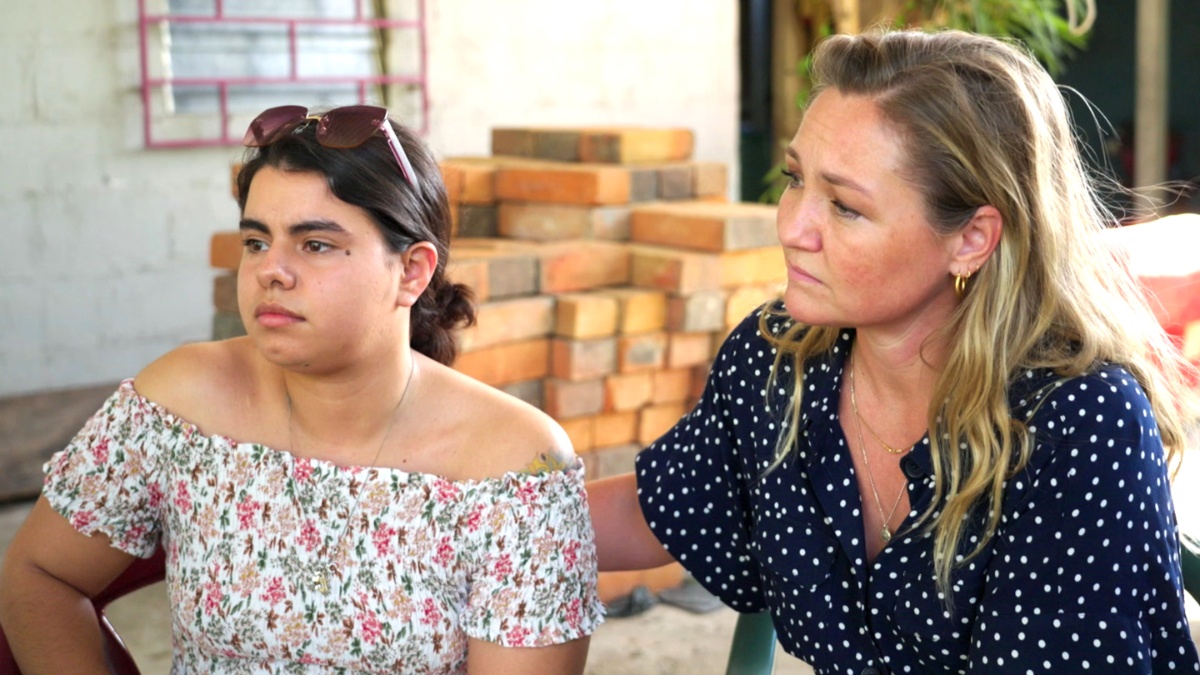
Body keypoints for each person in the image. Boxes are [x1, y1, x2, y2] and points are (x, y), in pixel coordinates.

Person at [589, 29, 1200, 673]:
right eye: (796, 179)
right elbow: (667, 506)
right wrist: (518, 505)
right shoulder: (781, 359)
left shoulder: (1079, 423)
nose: (792, 227)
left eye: (844, 207)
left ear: (971, 239)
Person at [0, 105, 603, 674]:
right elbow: (39, 575)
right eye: (256, 241)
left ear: (411, 271)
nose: (271, 270)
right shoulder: (179, 404)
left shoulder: (514, 466)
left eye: (315, 244)